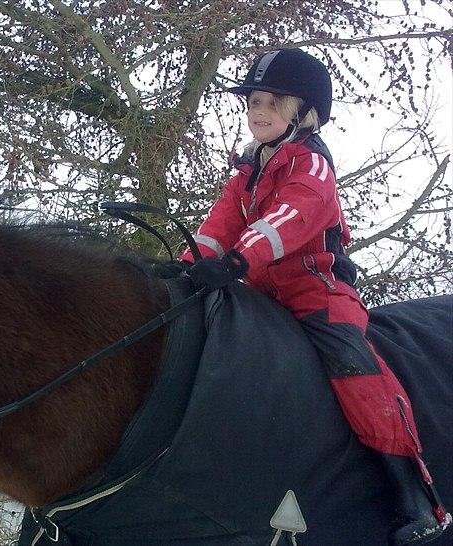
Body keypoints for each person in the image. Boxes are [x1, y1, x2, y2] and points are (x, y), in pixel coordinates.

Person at [177, 48, 450, 546]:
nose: (258, 110)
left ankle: (415, 493)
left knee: (354, 367)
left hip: (317, 291)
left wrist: (236, 262)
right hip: (262, 293)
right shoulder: (246, 172)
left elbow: (289, 219)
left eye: (274, 103)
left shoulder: (313, 167)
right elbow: (218, 227)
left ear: (305, 115)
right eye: (254, 100)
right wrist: (187, 267)